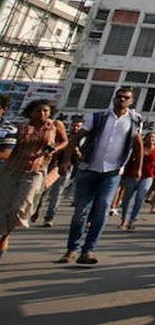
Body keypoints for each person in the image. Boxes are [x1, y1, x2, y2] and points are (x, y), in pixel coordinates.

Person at [57, 86, 143, 265]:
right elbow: (75, 138)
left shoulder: (135, 120)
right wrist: (66, 160)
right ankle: (72, 249)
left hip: (112, 171)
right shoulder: (98, 117)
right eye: (118, 96)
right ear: (114, 98)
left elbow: (138, 144)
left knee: (102, 208)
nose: (121, 99)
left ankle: (88, 250)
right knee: (81, 210)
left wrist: (137, 168)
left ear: (131, 101)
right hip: (89, 168)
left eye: (125, 97)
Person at [0, 99, 68, 259]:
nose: (42, 114)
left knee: (22, 207)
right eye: (38, 111)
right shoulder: (21, 127)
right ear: (30, 113)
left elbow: (64, 141)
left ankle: (5, 235)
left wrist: (54, 149)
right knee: (4, 206)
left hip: (35, 170)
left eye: (45, 111)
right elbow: (10, 147)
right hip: (12, 169)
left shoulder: (55, 125)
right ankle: (2, 237)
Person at [35, 118, 84, 227]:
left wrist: (77, 151)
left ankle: (49, 217)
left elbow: (81, 158)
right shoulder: (62, 137)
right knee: (42, 192)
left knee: (56, 194)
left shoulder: (83, 140)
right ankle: (36, 209)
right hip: (52, 167)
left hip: (65, 169)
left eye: (78, 126)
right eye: (74, 125)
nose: (75, 128)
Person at [119, 131, 155, 230]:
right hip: (132, 175)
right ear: (145, 138)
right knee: (127, 198)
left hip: (148, 176)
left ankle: (132, 220)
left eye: (154, 138)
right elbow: (130, 161)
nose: (152, 139)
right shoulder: (138, 147)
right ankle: (124, 220)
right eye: (150, 137)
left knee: (140, 197)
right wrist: (124, 174)